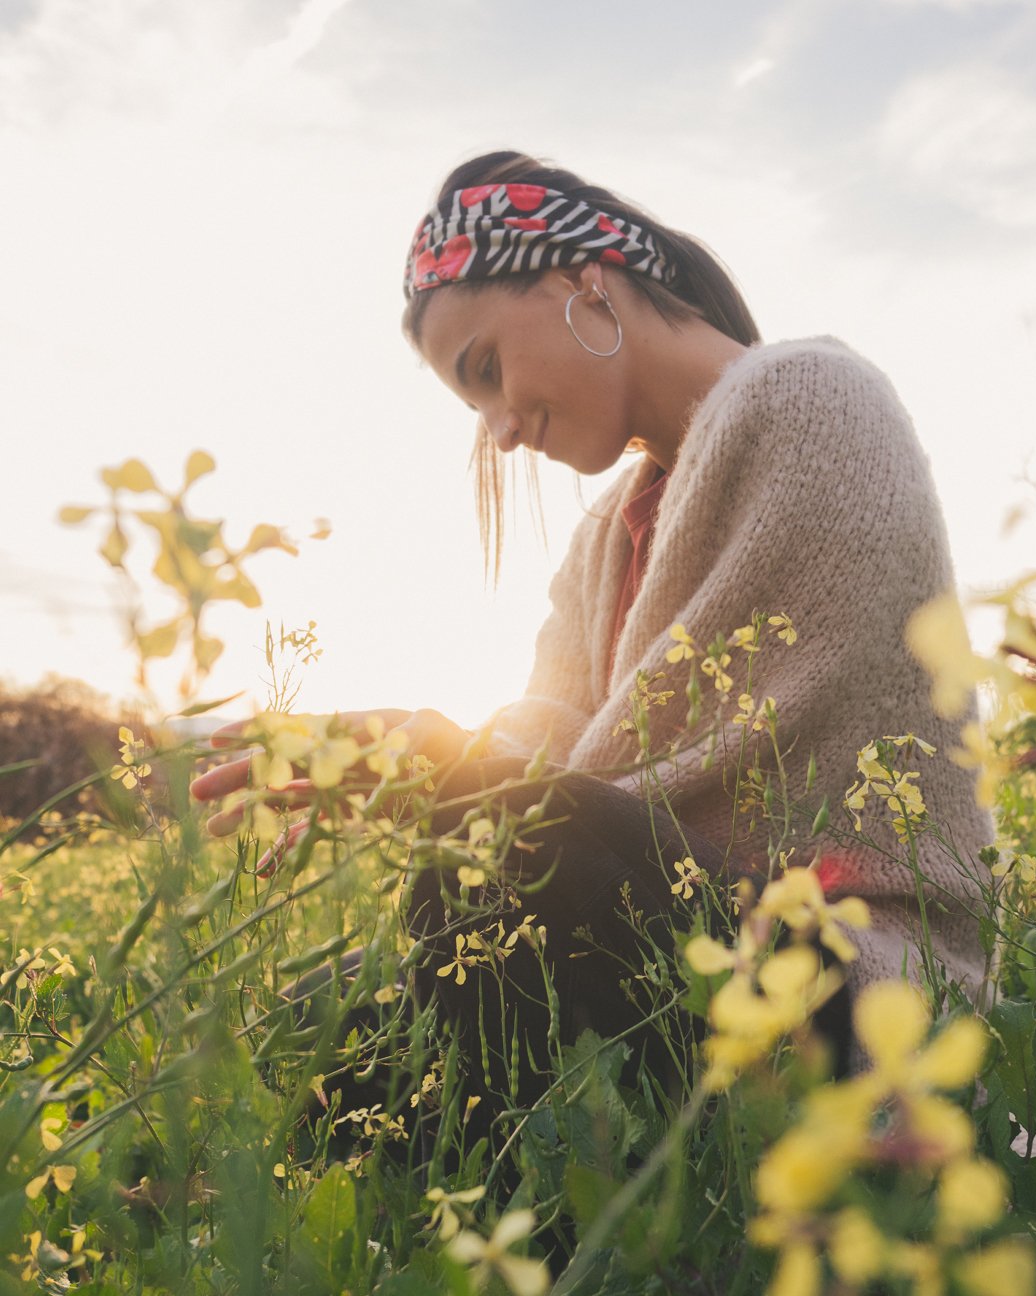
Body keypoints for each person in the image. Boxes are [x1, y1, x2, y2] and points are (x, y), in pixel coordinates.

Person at [189, 149, 993, 1112]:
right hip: (674, 933)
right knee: (316, 1010)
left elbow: (676, 769)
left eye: (486, 369)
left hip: (860, 980)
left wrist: (454, 774)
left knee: (514, 845)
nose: (500, 429)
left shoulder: (808, 397)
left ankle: (531, 1164)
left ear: (584, 284)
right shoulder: (601, 538)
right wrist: (413, 754)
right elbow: (550, 732)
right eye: (474, 405)